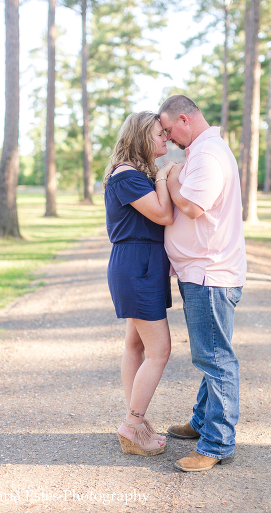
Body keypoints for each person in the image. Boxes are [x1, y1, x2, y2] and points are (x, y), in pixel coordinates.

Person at [157, 95, 247, 473]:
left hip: (209, 275)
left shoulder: (208, 155)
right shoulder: (202, 151)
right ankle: (201, 421)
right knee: (211, 354)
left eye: (168, 129)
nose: (167, 137)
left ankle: (216, 444)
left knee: (215, 359)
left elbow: (193, 207)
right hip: (202, 272)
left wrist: (170, 178)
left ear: (184, 119)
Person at [103, 111, 176, 456]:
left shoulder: (133, 174)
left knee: (135, 346)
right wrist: (162, 176)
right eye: (160, 134)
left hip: (142, 264)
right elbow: (163, 214)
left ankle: (137, 420)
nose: (166, 139)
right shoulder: (127, 175)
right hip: (137, 266)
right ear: (141, 138)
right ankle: (132, 426)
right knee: (160, 351)